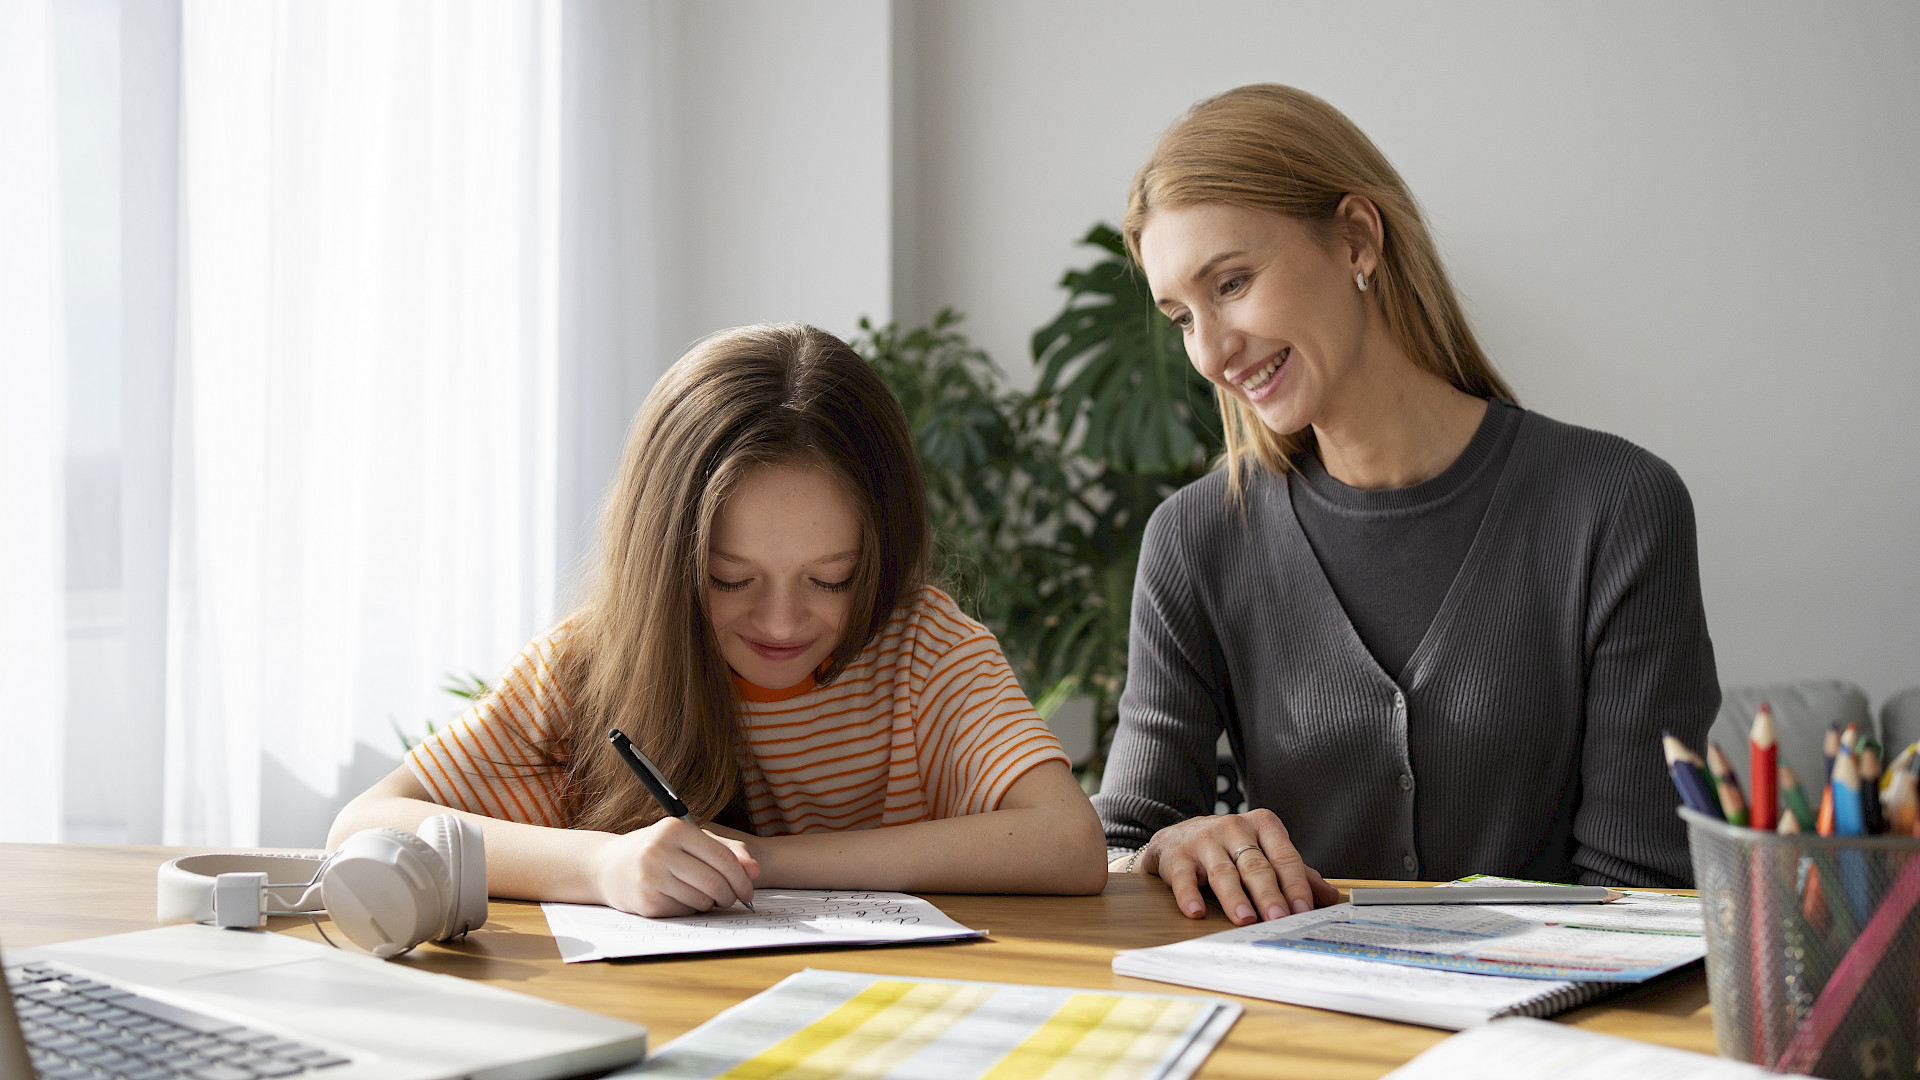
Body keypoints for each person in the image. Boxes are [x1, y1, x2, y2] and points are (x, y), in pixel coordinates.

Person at [1092, 84, 1719, 925]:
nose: (1209, 351)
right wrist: (1172, 847)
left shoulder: (1616, 508)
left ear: (1357, 237)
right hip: (1291, 1026)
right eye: (1180, 317)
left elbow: (1642, 887)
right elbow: (1124, 840)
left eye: (1232, 283)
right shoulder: (1195, 539)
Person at [330, 324, 1107, 915]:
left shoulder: (923, 648)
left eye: (831, 579)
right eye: (730, 579)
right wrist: (602, 867)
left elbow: (1071, 846)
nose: (781, 620)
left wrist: (764, 860)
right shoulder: (587, 664)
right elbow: (364, 826)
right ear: (667, 562)